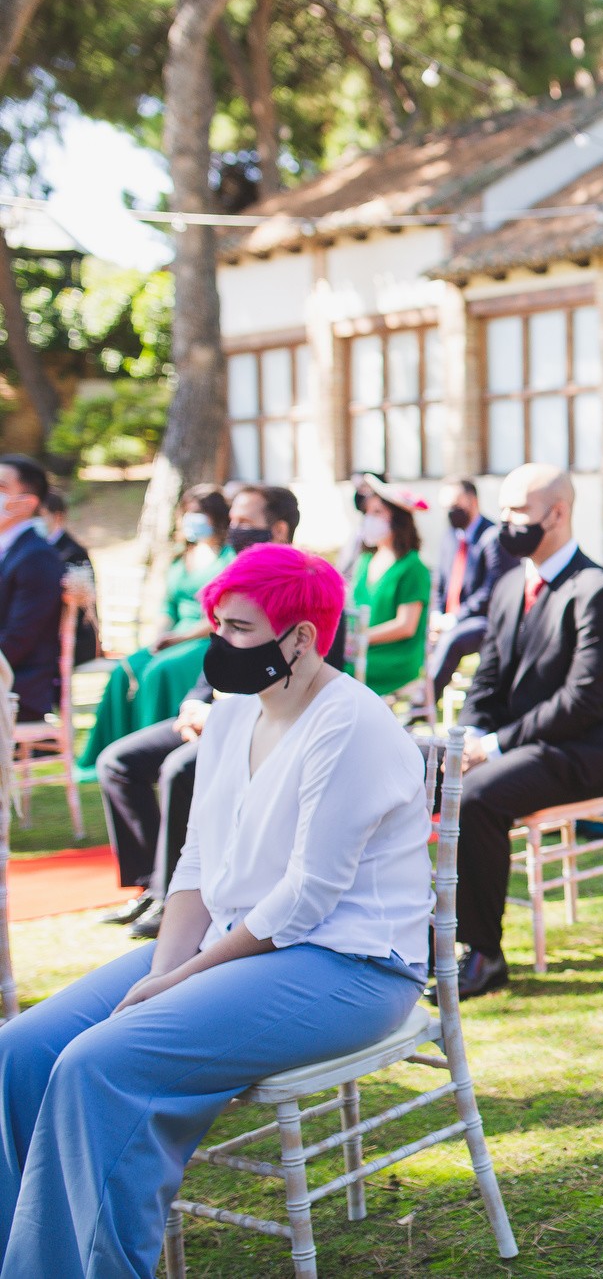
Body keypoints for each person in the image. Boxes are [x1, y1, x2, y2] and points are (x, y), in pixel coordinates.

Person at [0, 543, 429, 1276]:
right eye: (217, 625)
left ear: (301, 637)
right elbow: (197, 861)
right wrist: (168, 970)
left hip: (350, 966)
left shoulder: (350, 722)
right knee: (22, 1051)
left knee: (98, 1066)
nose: (218, 644)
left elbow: (307, 897)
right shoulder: (233, 712)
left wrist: (180, 980)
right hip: (240, 944)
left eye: (237, 628)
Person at [96, 487, 343, 942]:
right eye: (232, 519)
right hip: (215, 716)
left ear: (279, 529)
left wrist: (225, 717)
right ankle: (150, 883)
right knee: (117, 761)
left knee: (178, 771)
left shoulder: (312, 590)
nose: (233, 529)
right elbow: (219, 653)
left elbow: (312, 679)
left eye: (245, 520)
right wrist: (196, 703)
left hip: (265, 726)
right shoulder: (238, 580)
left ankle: (175, 894)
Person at [451, 464, 603, 999]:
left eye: (518, 511)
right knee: (428, 773)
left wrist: (494, 745)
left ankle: (482, 953)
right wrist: (467, 736)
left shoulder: (599, 591)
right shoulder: (510, 583)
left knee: (476, 797)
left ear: (556, 514)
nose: (505, 522)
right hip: (520, 748)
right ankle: (425, 932)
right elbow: (486, 678)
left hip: (582, 751)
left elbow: (584, 700)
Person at [80, 484, 234, 767]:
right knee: (126, 670)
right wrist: (161, 636)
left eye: (199, 513)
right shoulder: (180, 558)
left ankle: (149, 753)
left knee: (158, 672)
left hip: (205, 636)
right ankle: (113, 750)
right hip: (175, 634)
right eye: (188, 513)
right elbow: (168, 606)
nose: (192, 520)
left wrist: (178, 639)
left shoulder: (229, 559)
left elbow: (224, 614)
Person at [430, 477, 520, 697]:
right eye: (446, 508)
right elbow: (442, 583)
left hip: (483, 621)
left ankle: (427, 698)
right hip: (450, 618)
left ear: (471, 501)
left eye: (455, 505)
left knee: (453, 639)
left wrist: (455, 619)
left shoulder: (492, 538)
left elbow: (492, 591)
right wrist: (438, 614)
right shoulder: (449, 538)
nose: (451, 512)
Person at [0, 455, 65, 721]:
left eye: (1, 488)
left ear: (26, 503)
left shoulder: (36, 557)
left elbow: (18, 641)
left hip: (17, 688)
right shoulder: (8, 551)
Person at [350, 486, 432, 696]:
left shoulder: (412, 567)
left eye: (377, 512)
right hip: (360, 648)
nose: (369, 519)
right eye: (368, 512)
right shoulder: (365, 561)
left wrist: (361, 638)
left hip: (394, 657)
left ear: (398, 519)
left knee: (335, 672)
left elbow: (405, 626)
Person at [39, 491, 99, 665]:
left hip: (75, 638)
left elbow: (80, 608)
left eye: (40, 515)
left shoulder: (73, 553)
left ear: (57, 516)